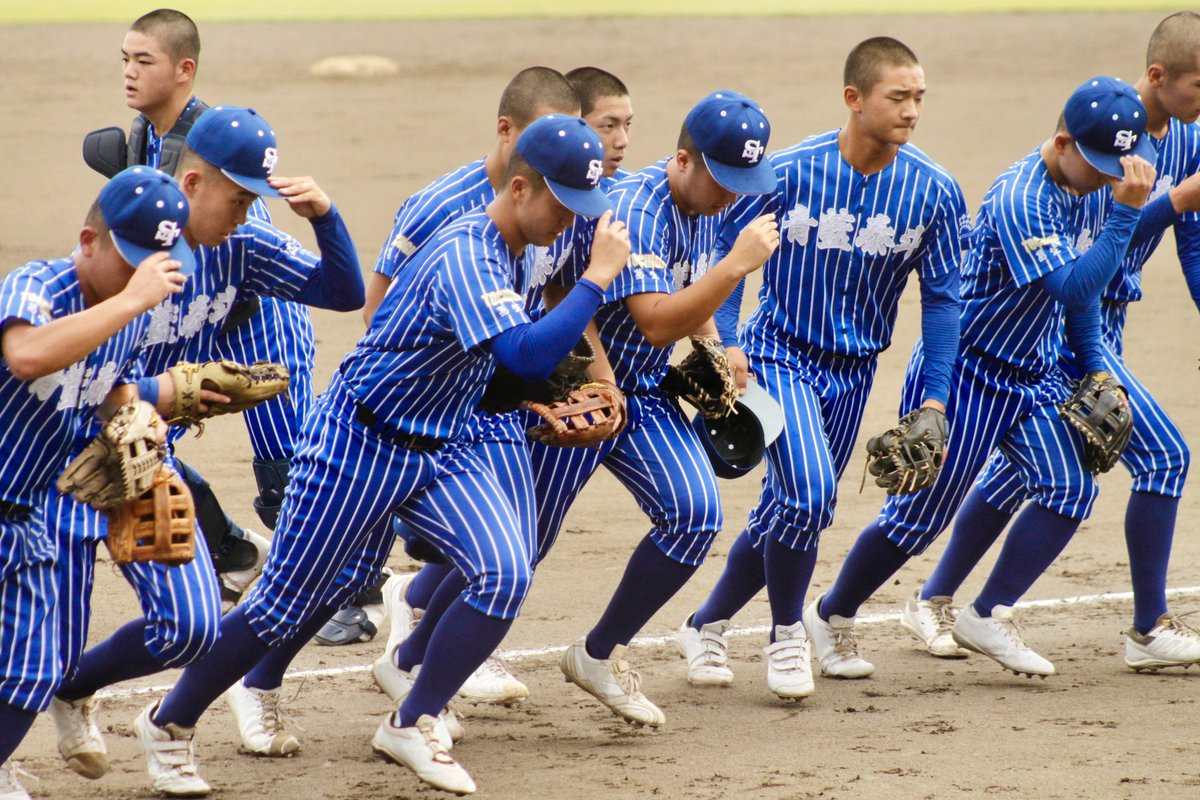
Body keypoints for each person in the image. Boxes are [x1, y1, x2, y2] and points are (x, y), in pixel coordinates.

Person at [132, 114, 627, 796]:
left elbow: (507, 366)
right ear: (520, 189)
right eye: (565, 206)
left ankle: (410, 721)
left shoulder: (524, 245)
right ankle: (170, 720)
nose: (574, 223)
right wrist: (597, 279)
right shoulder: (467, 253)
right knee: (282, 605)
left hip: (442, 445)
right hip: (358, 441)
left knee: (505, 570)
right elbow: (521, 351)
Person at [46, 105, 364, 789]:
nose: (248, 210)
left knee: (188, 628)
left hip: (134, 455)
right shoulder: (132, 248)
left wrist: (325, 217)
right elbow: (67, 376)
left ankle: (73, 689)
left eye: (257, 197)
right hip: (58, 458)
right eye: (239, 195)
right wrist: (170, 389)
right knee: (36, 632)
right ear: (192, 183)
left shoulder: (241, 246)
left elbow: (343, 292)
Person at [803, 76, 1156, 682]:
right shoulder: (1024, 198)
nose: (1105, 178)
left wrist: (1096, 364)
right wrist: (1127, 213)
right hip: (966, 373)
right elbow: (1070, 284)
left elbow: (1082, 303)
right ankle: (832, 614)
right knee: (916, 520)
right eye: (1097, 165)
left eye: (1113, 168)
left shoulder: (1095, 188)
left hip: (1034, 374)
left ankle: (987, 613)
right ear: (1063, 141)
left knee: (1069, 489)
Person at [901, 11, 1200, 671]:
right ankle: (1148, 630)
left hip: (1103, 316)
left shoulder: (1189, 138)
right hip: (1066, 319)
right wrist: (1170, 200)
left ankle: (935, 595)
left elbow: (1190, 231)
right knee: (1163, 459)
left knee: (1022, 469)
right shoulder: (1104, 132)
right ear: (1159, 77)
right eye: (1199, 86)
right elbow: (1102, 233)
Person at [675, 37, 967, 700]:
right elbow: (724, 250)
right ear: (854, 98)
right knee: (809, 496)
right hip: (778, 353)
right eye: (898, 96)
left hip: (854, 370)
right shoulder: (789, 173)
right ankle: (786, 635)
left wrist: (938, 399)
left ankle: (707, 622)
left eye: (920, 96)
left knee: (791, 506)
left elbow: (945, 301)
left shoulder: (935, 192)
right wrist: (722, 342)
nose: (913, 110)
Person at [308, 68, 579, 720]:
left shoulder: (554, 209)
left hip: (487, 403)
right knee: (333, 573)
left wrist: (546, 385)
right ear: (507, 132)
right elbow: (380, 314)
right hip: (415, 408)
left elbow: (535, 306)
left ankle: (422, 648)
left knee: (518, 547)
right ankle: (387, 640)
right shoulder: (443, 206)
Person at [524, 90, 779, 728]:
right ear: (683, 160)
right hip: (579, 391)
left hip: (643, 396)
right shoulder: (639, 205)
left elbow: (694, 296)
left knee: (694, 515)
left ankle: (598, 655)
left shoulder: (714, 208)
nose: (729, 195)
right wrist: (737, 265)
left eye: (741, 183)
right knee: (522, 542)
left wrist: (722, 344)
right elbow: (658, 322)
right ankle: (415, 624)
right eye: (721, 179)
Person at [88, 7, 319, 602]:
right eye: (125, 60)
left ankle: (359, 587)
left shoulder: (213, 142)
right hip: (197, 320)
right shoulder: (145, 134)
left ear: (183, 70)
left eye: (145, 61)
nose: (130, 73)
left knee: (288, 478)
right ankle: (235, 554)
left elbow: (246, 238)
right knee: (134, 440)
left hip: (259, 319)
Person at [0, 167, 193, 800]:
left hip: (35, 514)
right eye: (134, 261)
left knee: (37, 671)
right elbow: (27, 355)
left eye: (156, 264)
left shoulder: (127, 315)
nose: (146, 277)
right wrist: (131, 300)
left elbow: (110, 391)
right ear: (89, 241)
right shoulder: (39, 285)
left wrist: (142, 426)